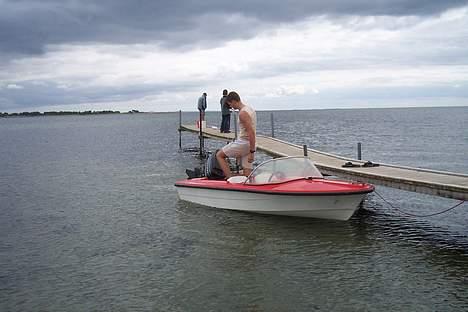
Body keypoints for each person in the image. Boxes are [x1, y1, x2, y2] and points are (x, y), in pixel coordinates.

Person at [216, 91, 256, 178]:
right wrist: (251, 149)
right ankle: (247, 189)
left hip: (244, 143)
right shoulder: (250, 109)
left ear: (234, 101)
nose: (230, 107)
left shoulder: (243, 113)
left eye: (230, 104)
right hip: (249, 145)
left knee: (219, 155)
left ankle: (229, 178)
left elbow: (251, 133)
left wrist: (252, 152)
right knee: (247, 175)